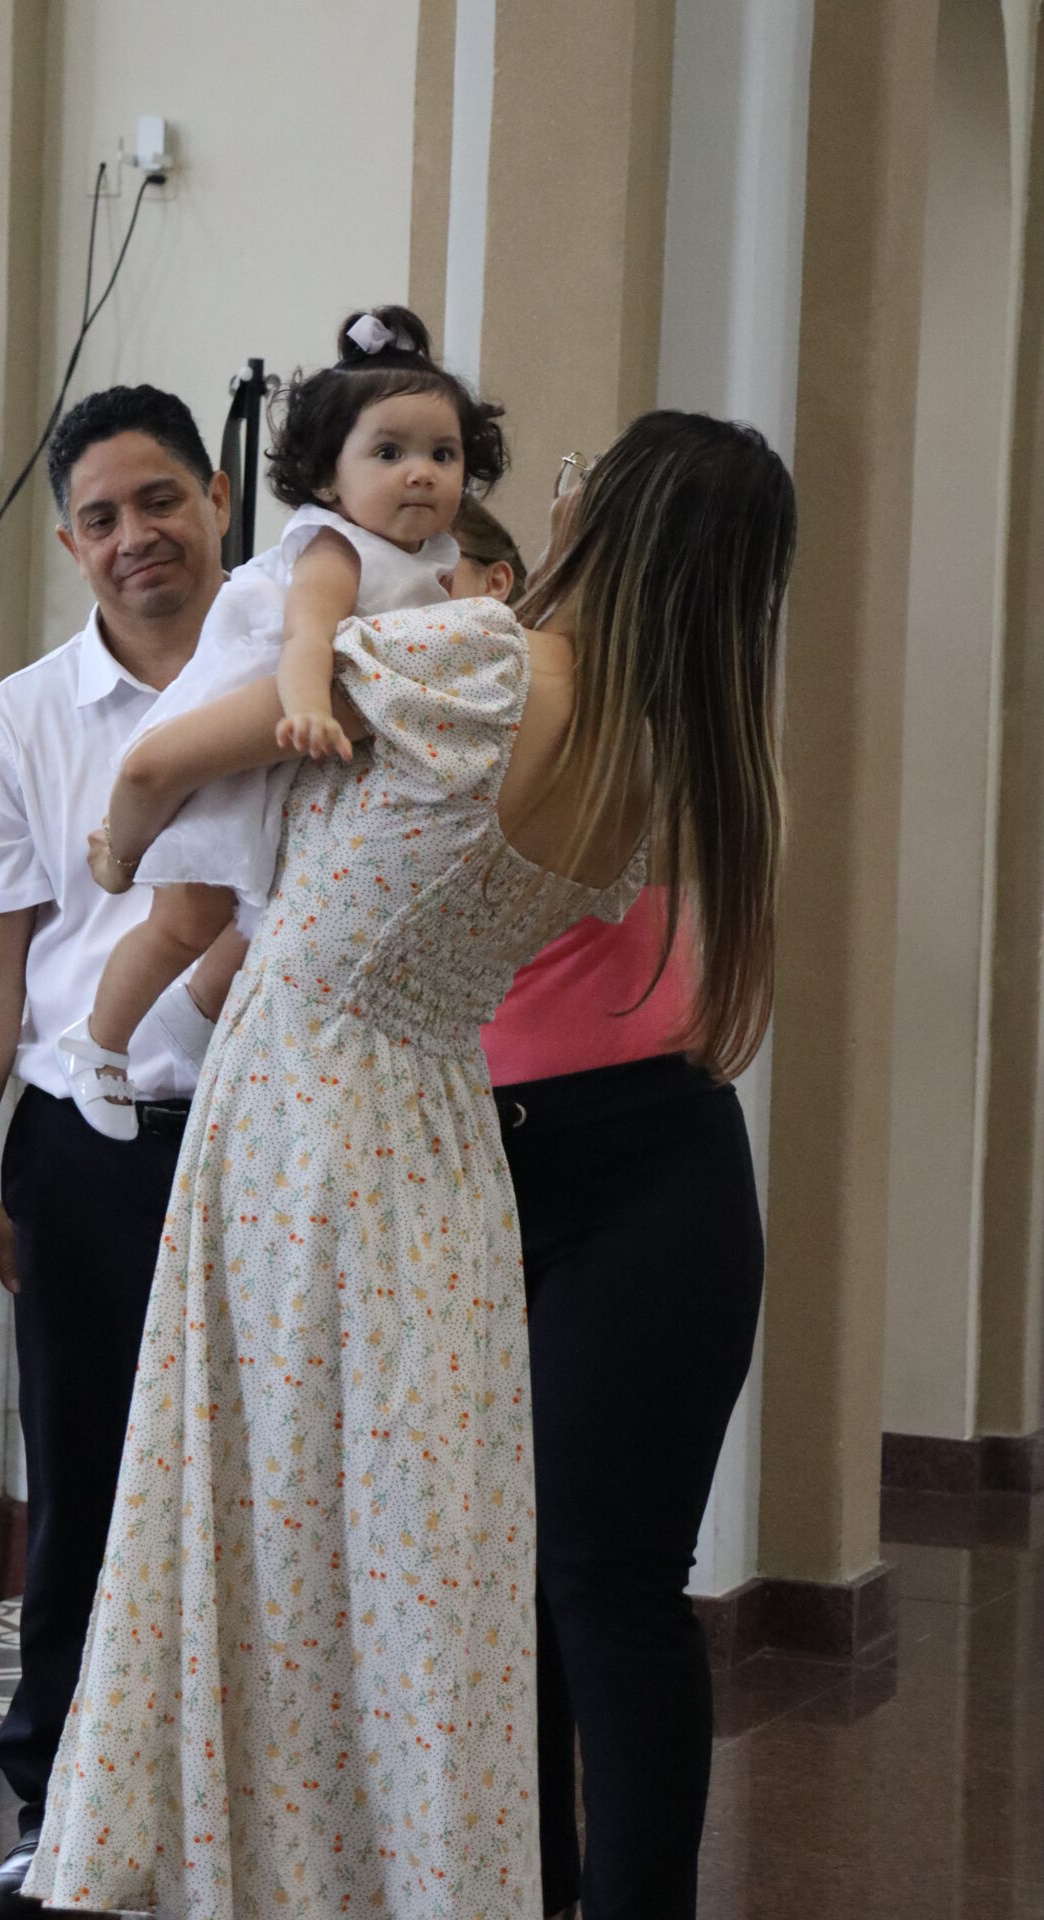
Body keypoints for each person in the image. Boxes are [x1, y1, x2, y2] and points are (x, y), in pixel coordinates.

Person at [23, 409, 796, 1917]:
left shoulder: (483, 664)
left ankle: (253, 1863)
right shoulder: (649, 765)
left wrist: (115, 856)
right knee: (413, 1560)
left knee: (268, 1515)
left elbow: (170, 755)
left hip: (307, 1108)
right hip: (435, 1129)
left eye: (571, 484)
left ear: (610, 520)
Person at [0, 384, 238, 1918]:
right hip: (85, 1150)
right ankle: (61, 1813)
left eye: (160, 500)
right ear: (68, 544)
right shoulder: (26, 718)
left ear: (220, 497)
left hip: (273, 1139)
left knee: (267, 1490)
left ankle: (253, 1816)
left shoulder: (300, 672)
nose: (136, 538)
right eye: (103, 518)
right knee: (88, 1490)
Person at [452, 490, 727, 1920]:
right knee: (502, 1583)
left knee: (604, 1577)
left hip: (641, 1168)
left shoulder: (603, 695)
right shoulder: (455, 680)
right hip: (469, 1159)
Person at [57, 305, 505, 1139]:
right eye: (389, 453)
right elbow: (309, 638)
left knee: (270, 904)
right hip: (261, 722)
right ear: (329, 479)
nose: (420, 474)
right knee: (184, 920)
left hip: (295, 757)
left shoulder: (437, 562)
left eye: (442, 455)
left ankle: (191, 1019)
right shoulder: (335, 550)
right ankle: (99, 1041)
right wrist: (304, 709)